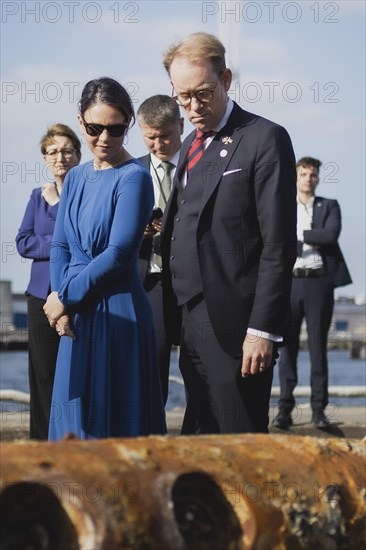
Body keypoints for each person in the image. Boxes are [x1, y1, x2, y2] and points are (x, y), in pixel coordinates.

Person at [160, 32, 297, 434]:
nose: (192, 107)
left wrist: (262, 329)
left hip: (238, 326)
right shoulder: (187, 144)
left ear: (226, 79)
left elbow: (278, 243)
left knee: (240, 440)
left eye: (203, 93)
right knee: (199, 435)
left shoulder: (264, 138)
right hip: (189, 317)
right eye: (182, 97)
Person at [43, 77, 167, 440]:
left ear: (128, 124)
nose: (104, 138)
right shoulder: (77, 176)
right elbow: (60, 244)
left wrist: (64, 297)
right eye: (95, 128)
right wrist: (60, 302)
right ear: (81, 122)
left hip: (119, 316)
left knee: (115, 431)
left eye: (116, 129)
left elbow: (117, 254)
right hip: (75, 315)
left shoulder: (135, 178)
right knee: (73, 429)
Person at [272, 157, 352, 429]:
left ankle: (319, 410)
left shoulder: (329, 205)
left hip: (319, 283)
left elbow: (330, 234)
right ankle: (284, 409)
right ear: (296, 177)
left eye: (313, 174)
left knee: (319, 347)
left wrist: (301, 235)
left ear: (318, 178)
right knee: (287, 348)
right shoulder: (282, 206)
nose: (308, 178)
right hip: (290, 283)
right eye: (304, 174)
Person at [15, 124, 81, 440]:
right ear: (44, 158)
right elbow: (23, 242)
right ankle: (43, 445)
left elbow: (83, 239)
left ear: (78, 155)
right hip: (38, 296)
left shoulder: (86, 192)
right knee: (43, 375)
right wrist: (57, 241)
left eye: (67, 150)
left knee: (75, 374)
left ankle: (74, 440)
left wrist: (57, 206)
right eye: (52, 151)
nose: (60, 157)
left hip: (78, 296)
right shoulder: (36, 196)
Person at [136, 95, 184, 404]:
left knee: (201, 368)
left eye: (165, 135)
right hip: (150, 282)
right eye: (151, 137)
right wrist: (136, 230)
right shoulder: (131, 172)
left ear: (181, 125)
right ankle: (155, 437)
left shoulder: (201, 166)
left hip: (194, 282)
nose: (158, 144)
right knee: (151, 371)